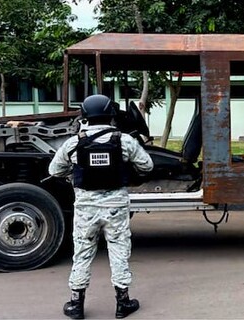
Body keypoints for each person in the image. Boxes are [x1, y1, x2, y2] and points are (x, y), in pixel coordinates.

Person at [49, 94, 153, 320]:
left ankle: (76, 304)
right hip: (116, 206)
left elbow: (54, 171)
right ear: (111, 114)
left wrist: (73, 175)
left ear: (84, 115)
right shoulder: (124, 140)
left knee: (82, 253)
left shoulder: (74, 142)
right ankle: (122, 303)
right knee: (119, 250)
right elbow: (147, 165)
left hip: (86, 207)